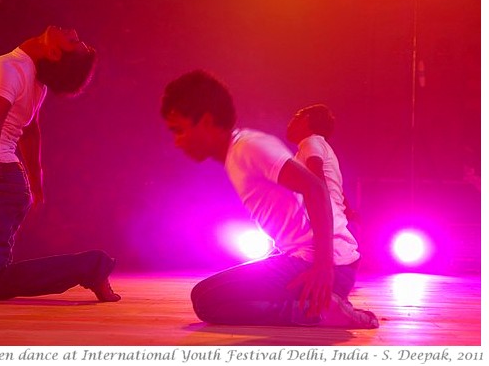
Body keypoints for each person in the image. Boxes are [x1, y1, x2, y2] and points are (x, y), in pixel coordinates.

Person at [160, 70, 377, 328]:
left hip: (321, 267)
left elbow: (316, 188)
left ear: (206, 122)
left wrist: (323, 267)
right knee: (210, 298)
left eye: (179, 130)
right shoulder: (237, 153)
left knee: (207, 299)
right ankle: (317, 306)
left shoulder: (248, 147)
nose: (176, 142)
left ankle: (315, 311)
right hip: (318, 264)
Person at [0, 25, 121, 302]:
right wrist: (36, 185)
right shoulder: (31, 78)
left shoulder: (10, 69)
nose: (72, 30)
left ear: (54, 53)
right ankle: (91, 267)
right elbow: (30, 131)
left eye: (73, 40)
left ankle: (92, 266)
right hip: (5, 176)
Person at [286, 104, 360, 242]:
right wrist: (349, 213)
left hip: (323, 229)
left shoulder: (310, 142)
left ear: (306, 120)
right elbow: (335, 189)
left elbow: (317, 182)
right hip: (330, 225)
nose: (290, 122)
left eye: (296, 117)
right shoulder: (319, 145)